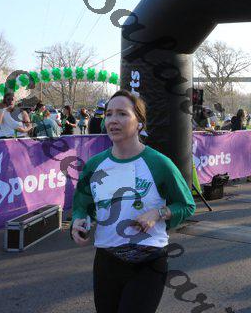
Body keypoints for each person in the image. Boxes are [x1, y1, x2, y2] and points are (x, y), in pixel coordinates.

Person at [71, 89, 196, 313]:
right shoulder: (94, 165)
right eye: (109, 114)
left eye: (122, 114)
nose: (113, 120)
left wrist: (158, 213)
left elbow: (186, 205)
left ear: (139, 122)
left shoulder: (159, 163)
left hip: (149, 261)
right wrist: (78, 222)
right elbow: (82, 205)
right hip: (106, 260)